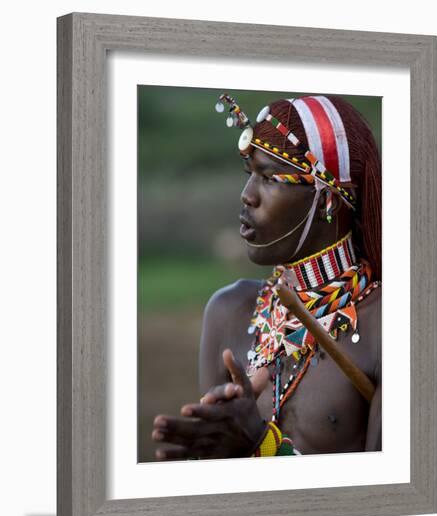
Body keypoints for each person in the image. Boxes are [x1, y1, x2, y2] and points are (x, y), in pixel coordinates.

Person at [152, 93, 382, 459]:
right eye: (250, 175)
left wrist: (263, 447)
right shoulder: (228, 311)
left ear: (327, 200)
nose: (247, 196)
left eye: (270, 178)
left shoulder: (388, 327)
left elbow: (383, 501)